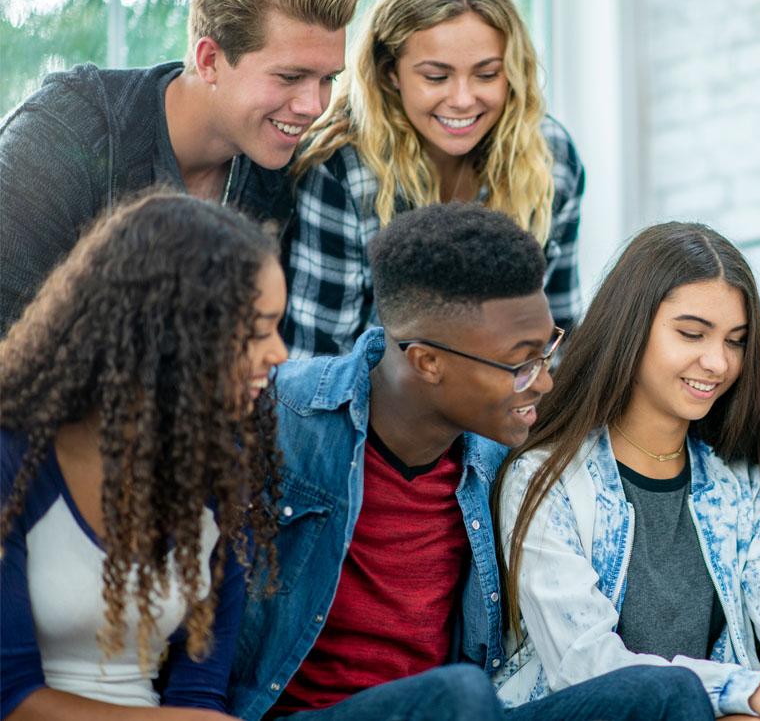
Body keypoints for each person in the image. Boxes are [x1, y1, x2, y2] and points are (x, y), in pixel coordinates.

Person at [230, 204, 714, 721]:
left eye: (546, 349)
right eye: (520, 362)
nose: (544, 381)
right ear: (428, 362)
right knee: (459, 695)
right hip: (325, 714)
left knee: (670, 692)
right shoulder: (279, 420)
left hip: (465, 712)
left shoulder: (497, 460)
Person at [0, 193, 289, 720]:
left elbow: (199, 690)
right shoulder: (14, 458)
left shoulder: (221, 468)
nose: (280, 353)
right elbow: (9, 697)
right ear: (171, 338)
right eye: (256, 332)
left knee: (452, 696)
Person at [493, 222, 760, 720]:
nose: (716, 362)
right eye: (691, 333)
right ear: (631, 326)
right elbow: (586, 667)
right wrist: (747, 689)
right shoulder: (545, 480)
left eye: (736, 341)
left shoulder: (739, 483)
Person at [0, 0, 360, 335]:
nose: (313, 105)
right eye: (289, 77)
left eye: (327, 79)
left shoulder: (280, 171)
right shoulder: (61, 134)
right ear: (209, 60)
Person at [283, 0, 585, 359]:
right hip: (375, 419)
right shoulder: (341, 171)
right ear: (391, 72)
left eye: (487, 74)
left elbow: (561, 341)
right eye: (436, 77)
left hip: (513, 412)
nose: (462, 99)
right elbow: (315, 370)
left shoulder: (552, 157)